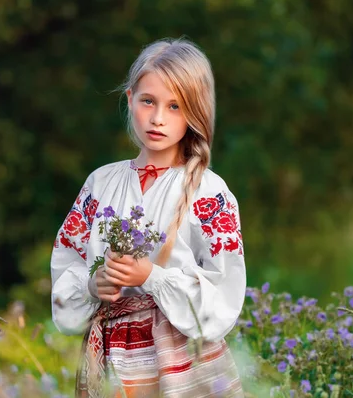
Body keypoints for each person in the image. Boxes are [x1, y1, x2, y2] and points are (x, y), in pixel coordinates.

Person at [51, 37, 246, 397]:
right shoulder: (100, 184)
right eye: (148, 101)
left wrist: (152, 277)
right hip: (111, 357)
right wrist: (94, 286)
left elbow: (224, 288)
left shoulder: (208, 191)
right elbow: (67, 265)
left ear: (195, 112)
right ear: (129, 100)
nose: (158, 118)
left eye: (175, 106)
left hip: (179, 361)